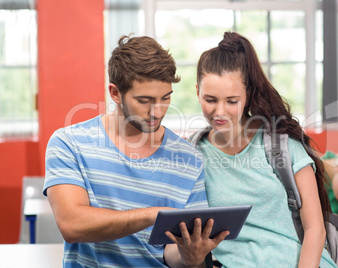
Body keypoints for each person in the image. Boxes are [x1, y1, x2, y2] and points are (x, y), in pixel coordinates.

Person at [43, 35, 228, 268]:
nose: (158, 111)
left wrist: (189, 257)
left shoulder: (188, 157)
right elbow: (72, 225)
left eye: (166, 98)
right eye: (144, 100)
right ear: (115, 93)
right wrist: (153, 215)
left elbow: (171, 251)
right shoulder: (69, 143)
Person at [190, 31, 336, 267]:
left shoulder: (281, 145)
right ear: (197, 91)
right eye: (210, 99)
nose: (220, 111)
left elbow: (315, 230)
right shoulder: (195, 154)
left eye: (231, 101)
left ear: (247, 95)